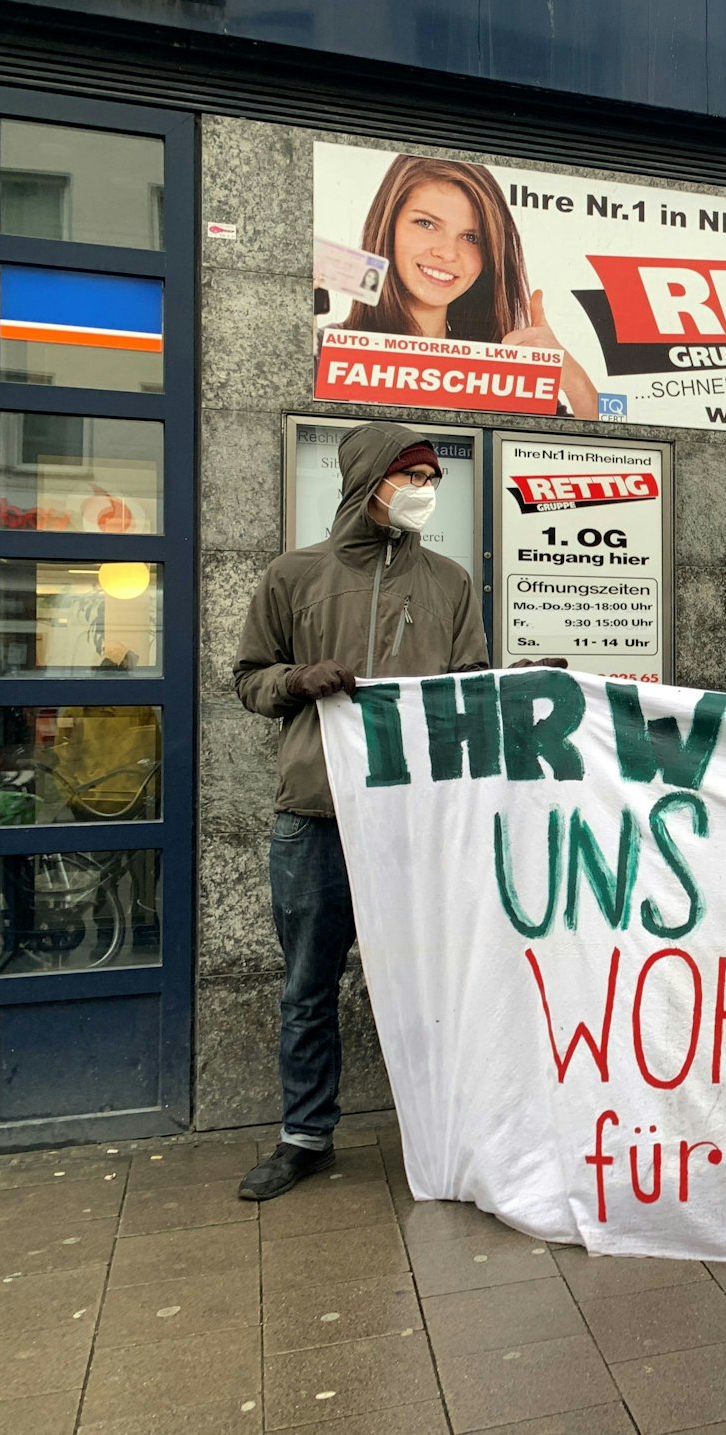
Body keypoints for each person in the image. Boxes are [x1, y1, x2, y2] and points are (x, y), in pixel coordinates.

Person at [232, 421, 493, 1200]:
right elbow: (248, 676)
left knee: (430, 984)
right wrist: (295, 680)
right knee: (307, 984)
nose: (423, 492)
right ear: (368, 484)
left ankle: (443, 1128)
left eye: (431, 479)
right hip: (314, 816)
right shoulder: (293, 576)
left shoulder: (449, 583)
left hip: (414, 821)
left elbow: (467, 688)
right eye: (409, 477)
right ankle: (303, 1135)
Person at [337, 154, 598, 419]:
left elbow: (599, 457)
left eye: (471, 237)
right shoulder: (328, 353)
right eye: (426, 224)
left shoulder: (503, 378)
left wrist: (574, 381)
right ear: (388, 226)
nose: (447, 253)